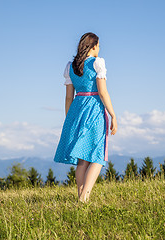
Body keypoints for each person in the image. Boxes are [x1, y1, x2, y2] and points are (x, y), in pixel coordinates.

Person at [53, 32, 117, 203]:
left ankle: (81, 198)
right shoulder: (98, 63)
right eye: (99, 45)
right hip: (94, 108)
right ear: (94, 46)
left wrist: (70, 119)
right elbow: (102, 93)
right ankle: (84, 198)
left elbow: (68, 97)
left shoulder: (70, 66)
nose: (100, 48)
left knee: (82, 159)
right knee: (97, 156)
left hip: (76, 109)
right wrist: (113, 115)